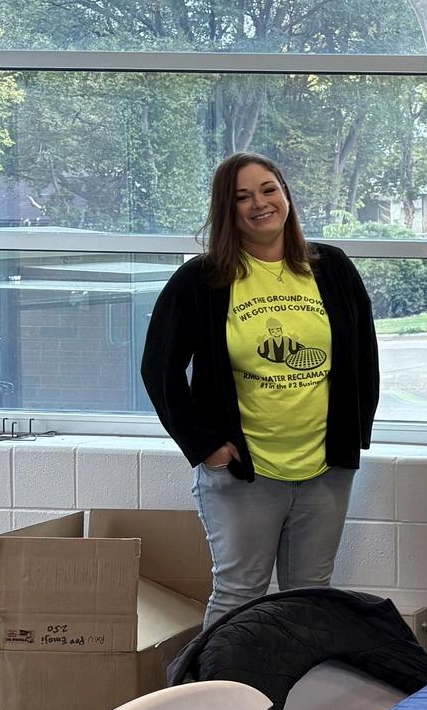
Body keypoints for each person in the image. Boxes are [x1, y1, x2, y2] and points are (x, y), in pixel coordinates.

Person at [141, 153, 378, 628]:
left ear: (285, 195)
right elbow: (159, 369)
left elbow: (363, 355)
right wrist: (206, 446)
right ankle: (217, 680)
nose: (260, 203)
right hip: (244, 472)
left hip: (325, 469)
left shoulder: (331, 267)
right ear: (226, 209)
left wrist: (352, 436)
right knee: (239, 593)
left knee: (310, 597)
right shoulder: (202, 279)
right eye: (242, 197)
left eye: (268, 190)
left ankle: (295, 680)